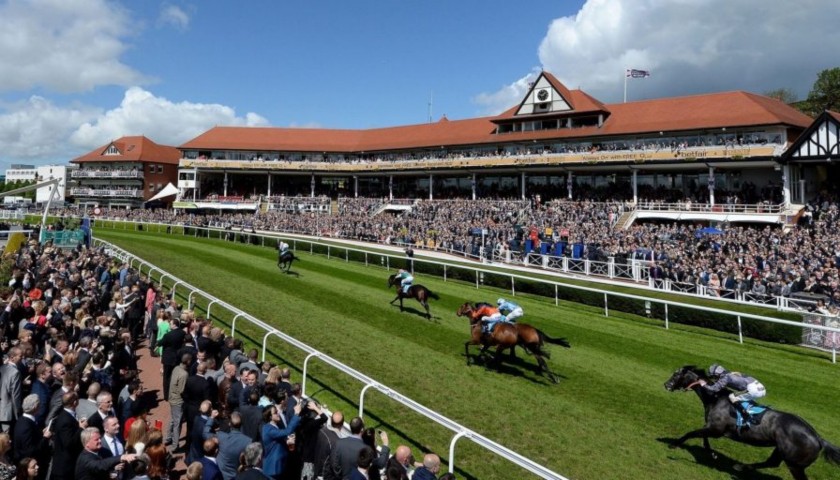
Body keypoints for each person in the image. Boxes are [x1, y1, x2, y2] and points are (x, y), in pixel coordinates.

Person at [700, 363, 766, 430]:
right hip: (760, 387)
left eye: (713, 377)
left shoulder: (725, 378)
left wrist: (703, 385)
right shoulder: (730, 373)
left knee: (732, 396)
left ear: (717, 374)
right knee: (742, 397)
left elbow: (715, 389)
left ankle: (745, 416)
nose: (713, 379)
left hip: (754, 389)